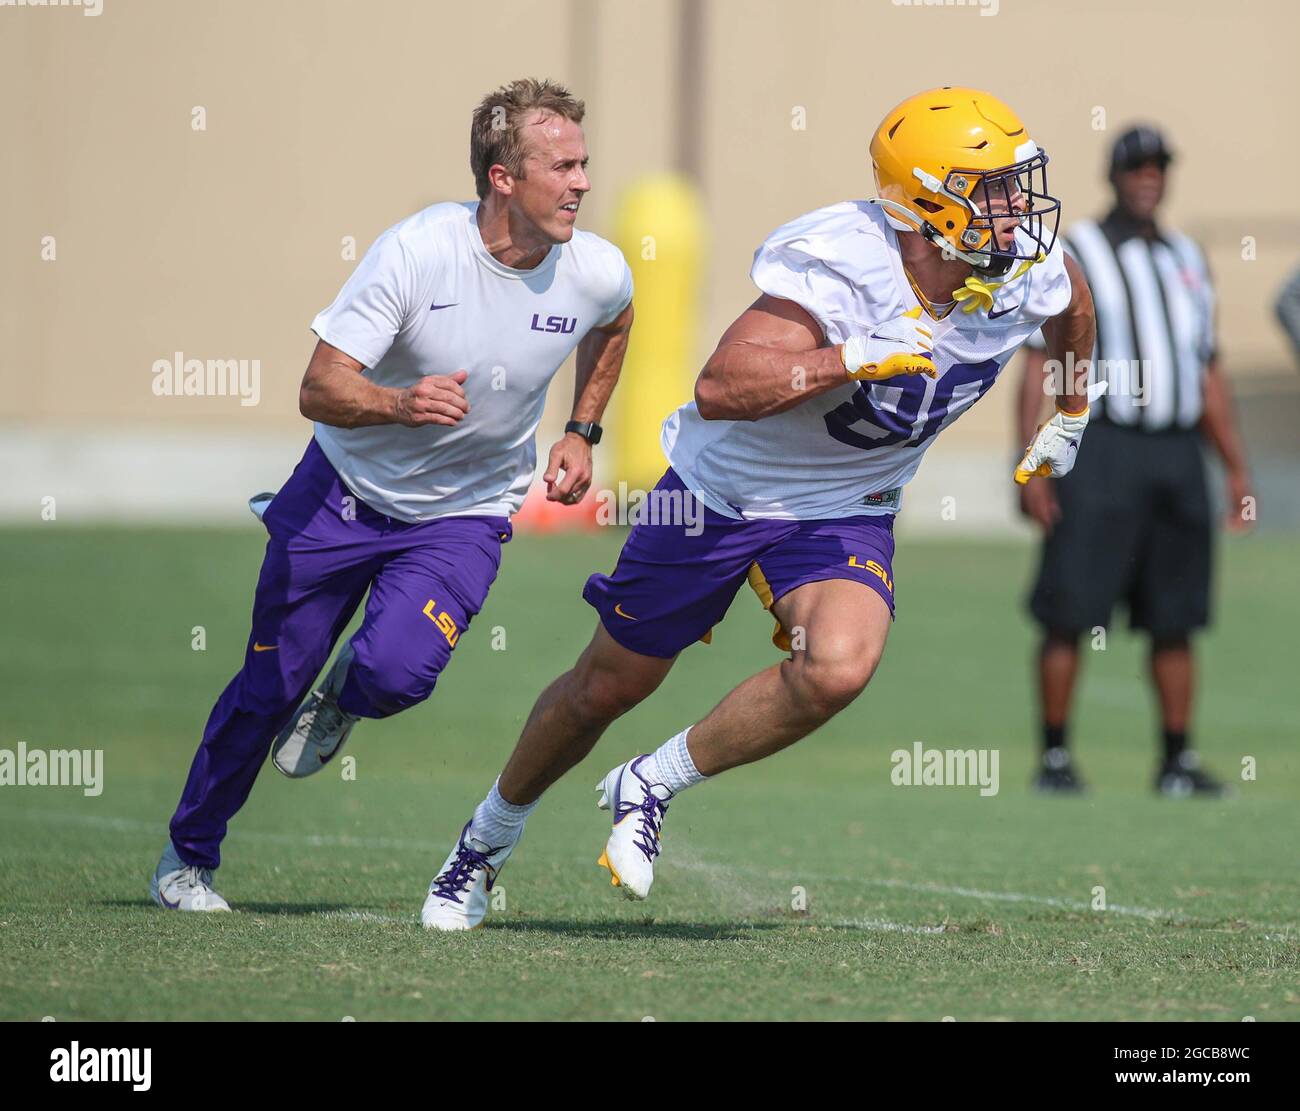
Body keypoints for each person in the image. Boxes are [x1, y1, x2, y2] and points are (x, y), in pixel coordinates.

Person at [420, 86, 1097, 931]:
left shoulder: (1026, 267)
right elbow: (720, 387)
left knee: (840, 664)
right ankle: (486, 837)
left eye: (1014, 185)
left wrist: (1071, 409)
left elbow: (1072, 303)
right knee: (607, 686)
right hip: (725, 493)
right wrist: (848, 355)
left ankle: (653, 781)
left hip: (848, 503)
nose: (1016, 210)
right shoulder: (843, 265)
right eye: (991, 190)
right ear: (929, 203)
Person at [151, 78, 635, 911]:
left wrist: (581, 431)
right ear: (502, 178)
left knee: (398, 672)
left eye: (585, 164)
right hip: (340, 492)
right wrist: (399, 404)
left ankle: (344, 698)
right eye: (561, 167)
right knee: (266, 689)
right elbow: (319, 387)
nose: (583, 183)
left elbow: (618, 319)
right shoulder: (415, 253)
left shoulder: (595, 269)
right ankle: (186, 859)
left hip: (467, 511)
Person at [1018, 124, 1254, 797]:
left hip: (1178, 450)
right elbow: (1042, 358)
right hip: (1105, 444)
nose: (1149, 176)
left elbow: (1208, 368)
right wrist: (1032, 457)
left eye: (1159, 166)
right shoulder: (1079, 251)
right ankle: (1056, 757)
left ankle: (1176, 760)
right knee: (1070, 604)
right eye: (1137, 166)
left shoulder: (1186, 256)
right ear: (1114, 175)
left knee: (1176, 615)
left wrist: (1234, 468)